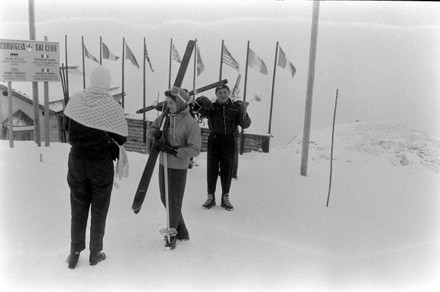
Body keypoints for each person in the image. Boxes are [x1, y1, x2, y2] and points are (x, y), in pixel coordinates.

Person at [64, 66, 128, 269]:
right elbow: (121, 137)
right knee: (99, 209)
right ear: (107, 83)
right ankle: (94, 253)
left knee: (78, 207)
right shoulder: (112, 106)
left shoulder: (76, 100)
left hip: (77, 160)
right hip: (100, 163)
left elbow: (67, 129)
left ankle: (74, 253)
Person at [149, 86, 201, 250]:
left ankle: (171, 236)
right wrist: (156, 134)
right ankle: (182, 232)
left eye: (172, 102)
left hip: (178, 167)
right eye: (168, 102)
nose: (168, 105)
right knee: (165, 199)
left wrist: (175, 151)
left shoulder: (190, 124)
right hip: (164, 163)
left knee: (174, 202)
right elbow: (153, 128)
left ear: (180, 103)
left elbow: (195, 149)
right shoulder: (166, 117)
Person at [195, 83, 251, 211]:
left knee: (227, 169)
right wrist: (201, 99)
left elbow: (245, 124)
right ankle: (211, 197)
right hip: (214, 139)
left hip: (229, 140)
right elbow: (196, 109)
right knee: (212, 169)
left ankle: (225, 198)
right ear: (216, 95)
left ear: (229, 93)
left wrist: (244, 111)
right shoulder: (212, 107)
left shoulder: (236, 108)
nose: (222, 95)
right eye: (220, 93)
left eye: (225, 92)